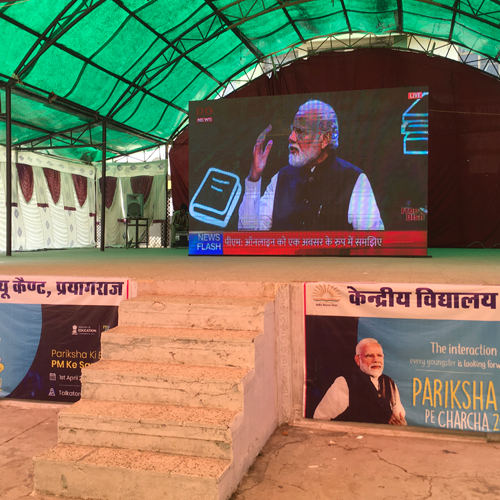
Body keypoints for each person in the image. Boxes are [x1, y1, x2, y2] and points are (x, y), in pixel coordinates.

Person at [238, 100, 384, 231]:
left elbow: (374, 242)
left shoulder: (353, 180)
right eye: (292, 129)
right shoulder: (280, 178)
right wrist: (254, 177)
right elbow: (249, 235)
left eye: (301, 131)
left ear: (325, 138)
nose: (291, 138)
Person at [313, 338, 406, 425]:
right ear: (358, 360)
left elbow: (399, 418)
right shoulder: (344, 383)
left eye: (379, 355)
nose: (376, 360)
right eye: (369, 356)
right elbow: (320, 418)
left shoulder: (390, 383)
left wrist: (400, 423)